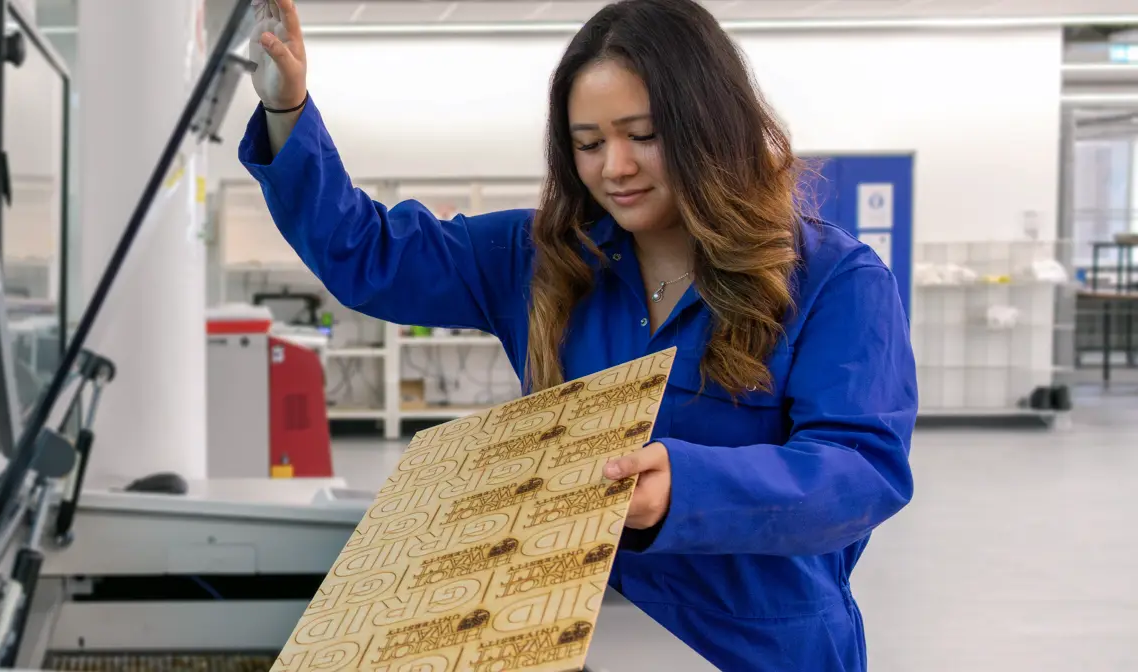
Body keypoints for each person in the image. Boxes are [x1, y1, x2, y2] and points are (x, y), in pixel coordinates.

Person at [239, 0, 916, 670]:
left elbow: (861, 471)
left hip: (752, 648)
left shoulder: (832, 279)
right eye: (588, 144)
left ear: (713, 127)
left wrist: (687, 486)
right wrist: (287, 113)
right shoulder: (542, 259)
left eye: (643, 136)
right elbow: (369, 253)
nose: (613, 168)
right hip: (572, 633)